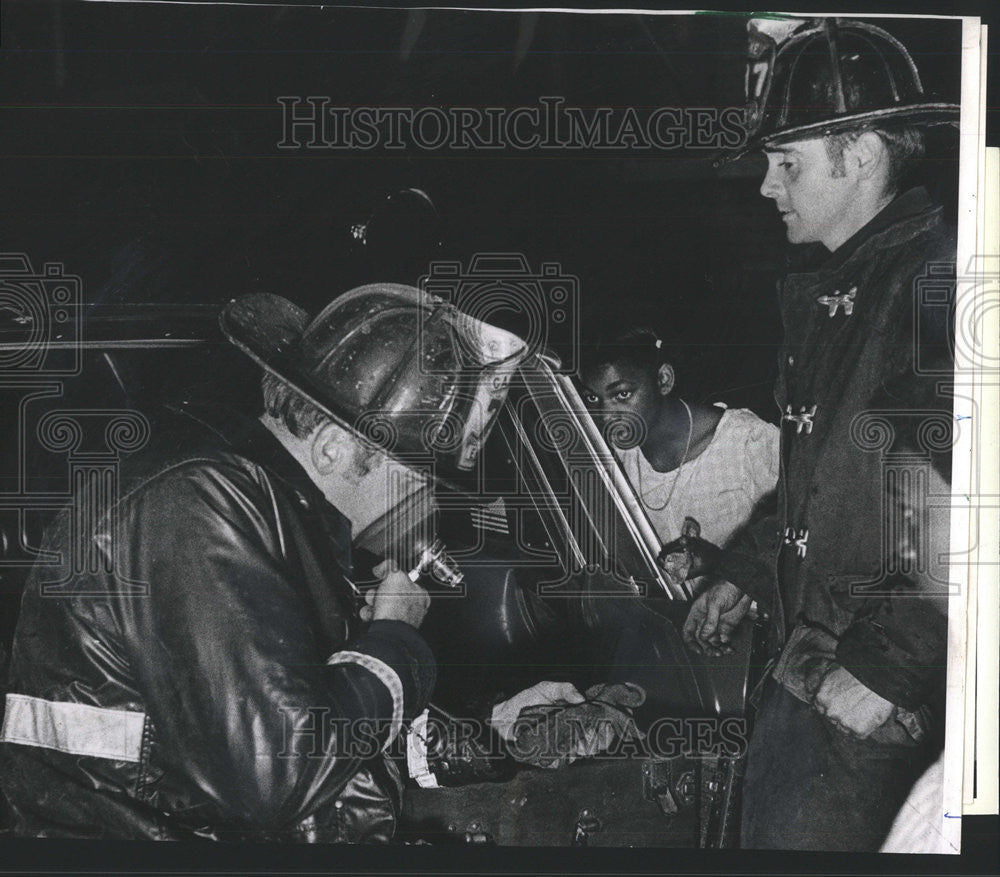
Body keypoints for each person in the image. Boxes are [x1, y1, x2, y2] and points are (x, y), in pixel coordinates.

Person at [0, 283, 525, 841]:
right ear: (331, 447)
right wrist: (394, 642)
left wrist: (495, 729)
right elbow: (277, 769)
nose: (427, 500)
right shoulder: (199, 504)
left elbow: (312, 724)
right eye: (418, 476)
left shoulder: (267, 513)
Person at [675, 18, 959, 851]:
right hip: (810, 672)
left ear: (863, 152)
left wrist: (889, 669)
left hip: (866, 694)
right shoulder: (843, 283)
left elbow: (967, 499)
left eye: (786, 160)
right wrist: (746, 571)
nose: (767, 186)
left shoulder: (931, 284)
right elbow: (821, 477)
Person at [579, 324, 779, 560]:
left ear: (664, 380)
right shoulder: (615, 461)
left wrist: (720, 565)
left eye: (622, 394)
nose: (604, 415)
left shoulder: (747, 443)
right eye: (592, 397)